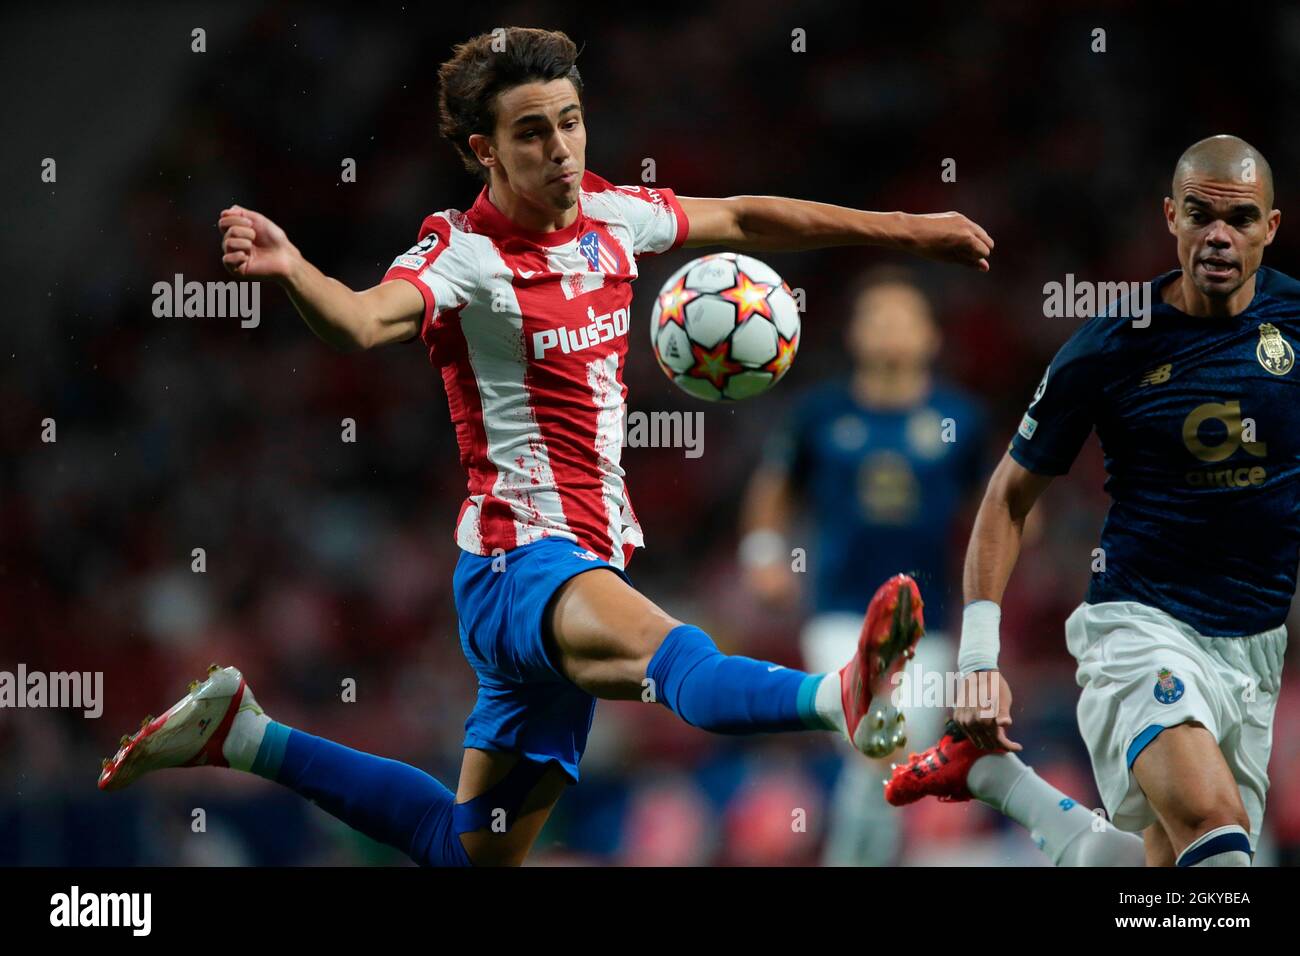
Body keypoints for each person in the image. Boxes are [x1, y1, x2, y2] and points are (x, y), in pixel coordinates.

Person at [98, 26, 994, 867]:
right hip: (519, 560)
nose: (561, 149)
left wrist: (913, 231)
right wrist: (296, 270)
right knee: (676, 656)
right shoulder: (462, 255)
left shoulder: (613, 216)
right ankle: (838, 697)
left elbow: (751, 221)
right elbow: (363, 322)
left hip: (567, 564)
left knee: (465, 851)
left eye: (569, 122)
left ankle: (246, 737)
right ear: (485, 151)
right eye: (532, 134)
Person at [888, 135, 1291, 868]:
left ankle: (1000, 781)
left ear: (1272, 226)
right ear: (1171, 217)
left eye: (1240, 219)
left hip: (1257, 645)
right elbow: (1007, 499)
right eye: (1199, 214)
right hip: (1142, 625)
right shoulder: (1109, 346)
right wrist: (980, 659)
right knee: (1221, 842)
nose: (1218, 236)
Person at [741, 267, 987, 864]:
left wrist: (996, 588)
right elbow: (773, 489)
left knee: (891, 761)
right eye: (876, 317)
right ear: (854, 334)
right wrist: (765, 557)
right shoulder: (819, 415)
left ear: (931, 335)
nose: (889, 330)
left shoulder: (961, 419)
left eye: (903, 317)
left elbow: (996, 509)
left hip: (932, 623)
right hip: (837, 613)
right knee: (876, 740)